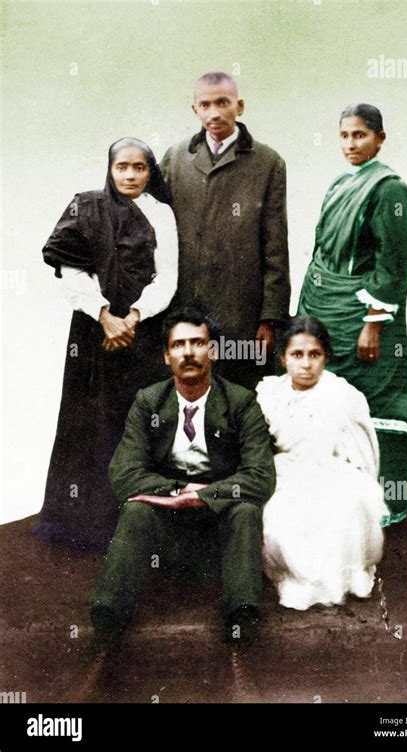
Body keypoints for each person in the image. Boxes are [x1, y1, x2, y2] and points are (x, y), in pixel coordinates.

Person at [90, 303, 276, 652]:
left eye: (197, 343)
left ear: (214, 351)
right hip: (168, 520)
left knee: (247, 511)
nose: (188, 353)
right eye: (178, 345)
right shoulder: (149, 402)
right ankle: (109, 615)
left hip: (219, 521)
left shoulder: (241, 402)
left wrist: (205, 496)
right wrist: (179, 491)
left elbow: (261, 475)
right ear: (166, 356)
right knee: (135, 510)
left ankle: (242, 614)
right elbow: (124, 472)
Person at [33, 138, 179, 552]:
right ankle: (84, 528)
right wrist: (103, 315)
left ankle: (139, 526)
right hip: (93, 335)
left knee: (135, 421)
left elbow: (167, 277)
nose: (130, 175)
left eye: (139, 168)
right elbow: (70, 270)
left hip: (142, 334)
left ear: (151, 172)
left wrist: (132, 317)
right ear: (110, 169)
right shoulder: (87, 206)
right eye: (122, 167)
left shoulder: (161, 214)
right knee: (89, 421)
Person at [298, 103, 407, 526]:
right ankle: (343, 500)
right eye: (345, 136)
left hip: (366, 319)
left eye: (361, 135)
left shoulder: (391, 190)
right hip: (326, 310)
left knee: (383, 405)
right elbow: (322, 254)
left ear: (380, 139)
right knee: (332, 404)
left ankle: (391, 506)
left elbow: (395, 264)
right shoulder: (339, 184)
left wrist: (372, 323)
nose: (351, 144)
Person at [160, 71, 291, 390]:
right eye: (205, 104)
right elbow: (150, 227)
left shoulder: (267, 163)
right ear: (195, 110)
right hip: (184, 307)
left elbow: (276, 246)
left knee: (241, 397)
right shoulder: (175, 159)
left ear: (240, 106)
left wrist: (270, 318)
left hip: (240, 313)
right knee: (186, 396)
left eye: (223, 102)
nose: (214, 112)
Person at [256, 316, 388, 610]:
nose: (306, 364)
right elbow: (259, 447)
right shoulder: (270, 395)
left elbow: (363, 451)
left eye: (314, 355)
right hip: (287, 470)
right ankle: (296, 580)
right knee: (282, 514)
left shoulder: (343, 395)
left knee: (342, 507)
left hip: (334, 468)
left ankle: (339, 578)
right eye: (297, 355)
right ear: (283, 359)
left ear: (326, 357)